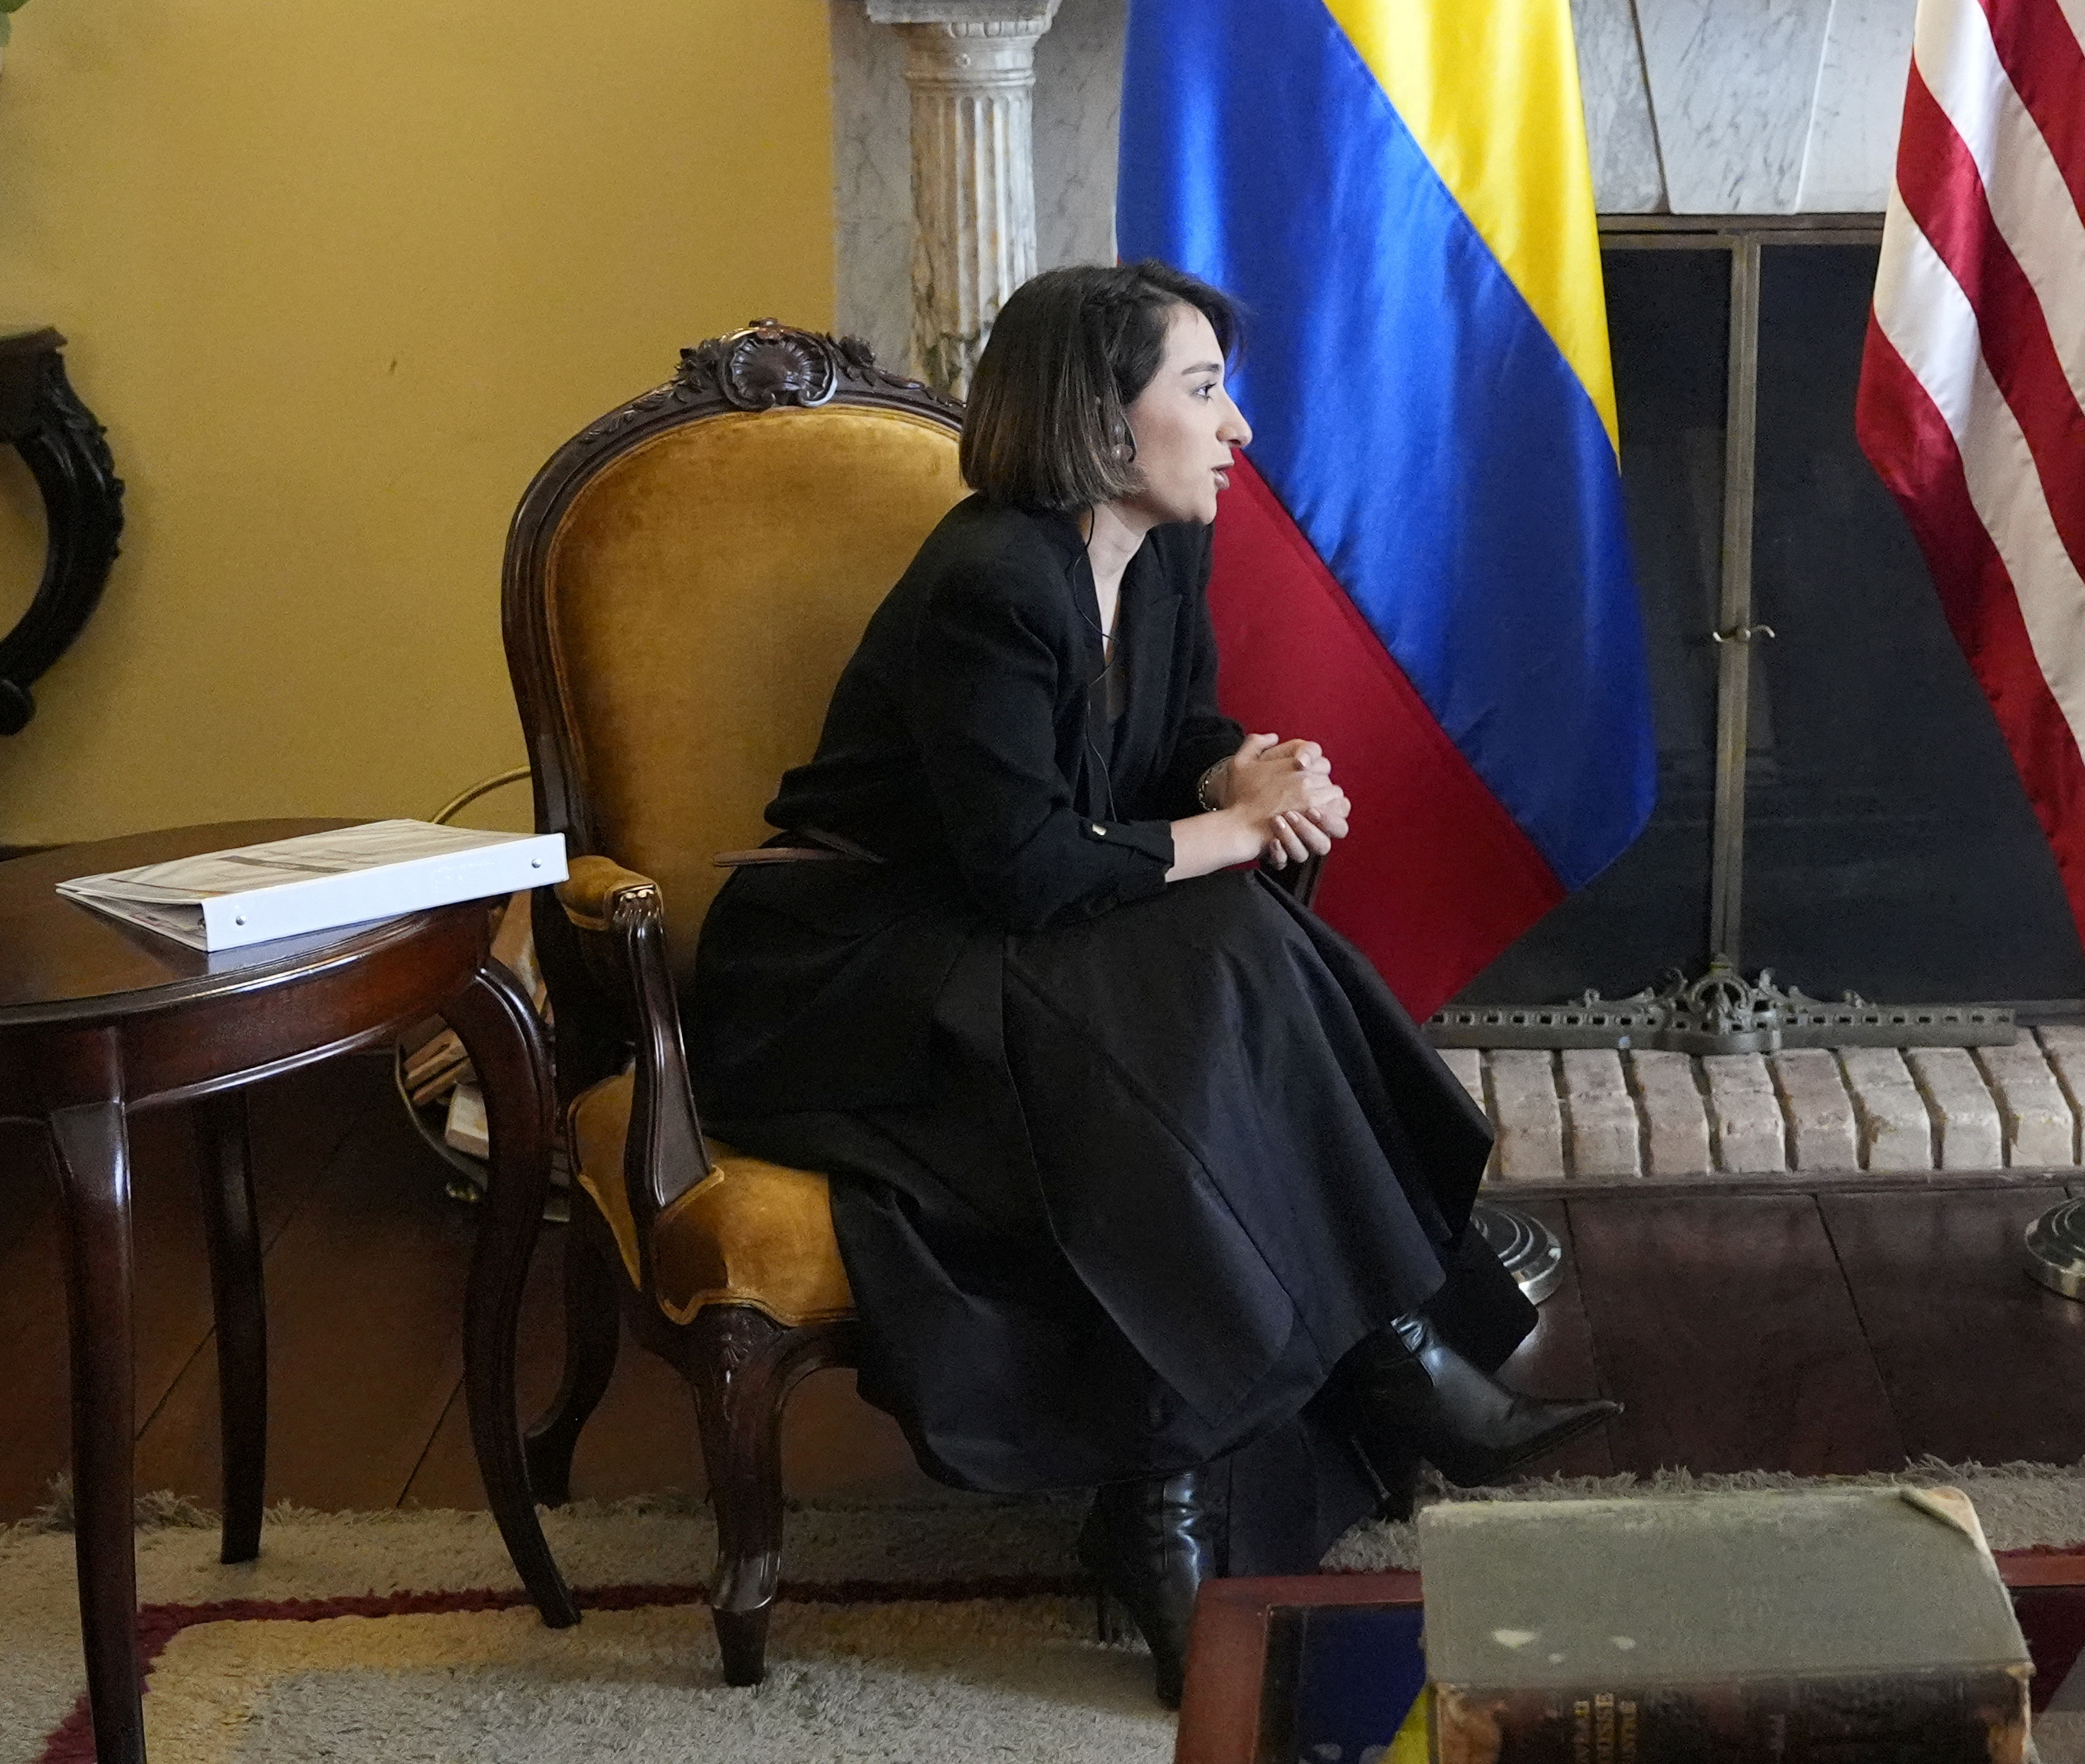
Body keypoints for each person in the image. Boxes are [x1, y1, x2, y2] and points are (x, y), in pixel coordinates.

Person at [688, 261, 1613, 1703]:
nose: (1237, 427)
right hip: (856, 964)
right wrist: (1230, 830)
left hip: (1016, 934)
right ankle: (1389, 1363)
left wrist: (1239, 770)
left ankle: (1185, 1489)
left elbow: (1167, 736)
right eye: (1202, 390)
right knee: (1222, 967)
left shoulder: (1165, 551)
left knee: (1220, 985)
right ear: (1103, 426)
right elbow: (1025, 871)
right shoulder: (993, 582)